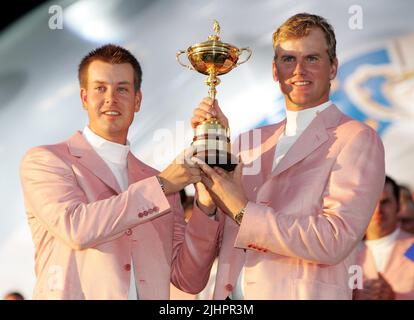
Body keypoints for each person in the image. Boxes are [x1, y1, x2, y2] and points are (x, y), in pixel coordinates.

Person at [190, 13, 385, 299]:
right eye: (288, 59)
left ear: (333, 67)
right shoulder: (246, 144)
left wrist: (243, 209)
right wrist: (207, 196)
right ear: (274, 69)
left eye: (312, 58)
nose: (299, 70)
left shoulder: (357, 138)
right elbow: (200, 264)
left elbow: (334, 240)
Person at [19, 44, 220, 299]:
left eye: (122, 89)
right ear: (84, 98)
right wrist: (161, 186)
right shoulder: (46, 161)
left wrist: (204, 203)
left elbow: (188, 279)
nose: (110, 98)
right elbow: (76, 229)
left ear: (137, 101)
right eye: (100, 88)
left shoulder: (159, 182)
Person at [353, 176, 414, 300]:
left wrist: (394, 297)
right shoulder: (346, 255)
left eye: (385, 202)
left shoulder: (412, 248)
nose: (378, 209)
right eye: (372, 202)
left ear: (398, 206)